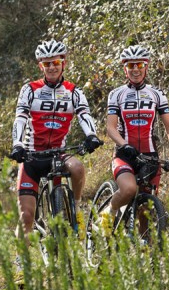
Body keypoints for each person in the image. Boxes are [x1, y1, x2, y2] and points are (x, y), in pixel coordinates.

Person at [10, 39, 103, 237]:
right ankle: (21, 253)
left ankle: (75, 207)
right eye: (47, 63)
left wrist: (91, 135)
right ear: (41, 66)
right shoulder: (30, 89)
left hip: (58, 154)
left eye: (56, 62)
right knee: (26, 216)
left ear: (63, 63)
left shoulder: (73, 91)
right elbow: (20, 118)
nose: (52, 67)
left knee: (77, 167)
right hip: (32, 155)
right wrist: (17, 144)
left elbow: (84, 115)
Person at [101, 46, 169, 235]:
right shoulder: (116, 94)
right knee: (129, 189)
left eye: (139, 65)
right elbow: (110, 128)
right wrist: (124, 145)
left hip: (150, 156)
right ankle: (108, 214)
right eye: (131, 65)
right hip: (124, 155)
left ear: (146, 67)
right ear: (125, 69)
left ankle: (143, 248)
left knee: (146, 211)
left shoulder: (157, 94)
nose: (135, 69)